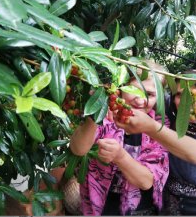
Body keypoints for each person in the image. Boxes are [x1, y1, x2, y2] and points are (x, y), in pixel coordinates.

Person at [113, 76, 196, 216]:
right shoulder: (173, 110)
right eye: (181, 95)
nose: (188, 101)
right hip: (172, 200)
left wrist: (151, 127)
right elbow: (150, 90)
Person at [69, 61, 170, 215]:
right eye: (135, 91)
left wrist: (120, 156)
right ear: (121, 88)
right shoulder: (103, 117)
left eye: (149, 94)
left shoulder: (158, 128)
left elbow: (146, 181)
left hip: (140, 210)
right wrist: (97, 110)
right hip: (98, 208)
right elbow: (78, 149)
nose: (140, 101)